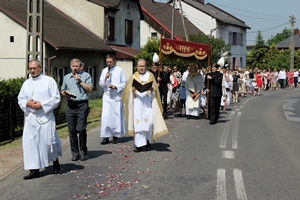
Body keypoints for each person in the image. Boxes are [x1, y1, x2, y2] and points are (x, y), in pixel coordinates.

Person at [18, 59, 62, 180]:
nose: (32, 71)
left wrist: (42, 104)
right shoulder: (26, 83)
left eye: (34, 68)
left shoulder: (49, 81)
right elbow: (20, 98)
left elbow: (56, 98)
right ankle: (34, 170)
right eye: (30, 69)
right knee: (30, 144)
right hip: (31, 118)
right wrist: (26, 103)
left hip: (45, 117)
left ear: (40, 68)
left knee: (48, 143)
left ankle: (55, 161)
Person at [121, 58, 169, 152]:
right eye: (139, 66)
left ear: (146, 67)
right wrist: (132, 90)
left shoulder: (150, 75)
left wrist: (151, 89)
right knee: (138, 123)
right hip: (137, 103)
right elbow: (127, 89)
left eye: (143, 66)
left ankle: (147, 141)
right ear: (137, 67)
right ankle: (138, 145)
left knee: (149, 123)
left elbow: (155, 88)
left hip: (147, 103)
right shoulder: (134, 76)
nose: (141, 68)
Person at [61, 58, 93, 161]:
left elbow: (89, 89)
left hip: (82, 105)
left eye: (77, 66)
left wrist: (80, 81)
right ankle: (75, 153)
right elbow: (63, 90)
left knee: (81, 128)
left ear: (80, 67)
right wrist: (65, 94)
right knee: (72, 130)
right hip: (70, 105)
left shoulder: (86, 76)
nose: (75, 68)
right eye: (73, 66)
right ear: (71, 66)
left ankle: (83, 151)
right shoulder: (66, 77)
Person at [99, 54, 126, 145]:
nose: (109, 64)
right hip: (107, 96)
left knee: (116, 116)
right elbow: (101, 84)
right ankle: (105, 136)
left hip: (116, 96)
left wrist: (116, 87)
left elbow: (124, 83)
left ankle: (115, 135)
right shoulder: (104, 71)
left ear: (114, 61)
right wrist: (105, 78)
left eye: (110, 62)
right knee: (106, 116)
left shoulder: (119, 70)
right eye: (107, 62)